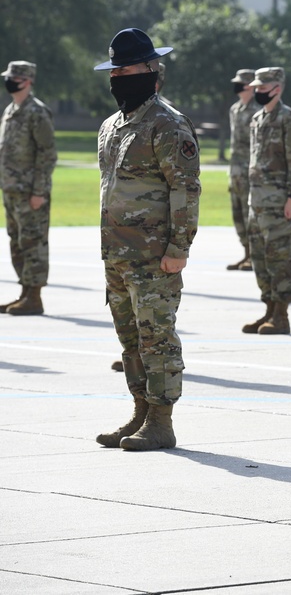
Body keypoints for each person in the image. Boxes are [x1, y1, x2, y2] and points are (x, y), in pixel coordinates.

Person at [92, 28, 201, 451]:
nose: (119, 77)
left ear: (152, 71)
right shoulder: (111, 126)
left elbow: (186, 190)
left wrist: (179, 249)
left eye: (129, 70)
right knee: (130, 339)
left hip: (154, 256)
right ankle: (140, 412)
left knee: (157, 336)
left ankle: (161, 421)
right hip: (116, 254)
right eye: (115, 70)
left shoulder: (167, 124)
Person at [242, 67, 291, 336]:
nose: (257, 92)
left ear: (277, 88)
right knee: (260, 259)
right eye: (256, 87)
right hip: (257, 202)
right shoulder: (257, 118)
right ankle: (268, 309)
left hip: (279, 202)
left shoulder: (287, 119)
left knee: (279, 259)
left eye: (263, 88)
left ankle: (281, 315)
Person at [0, 61, 56, 316]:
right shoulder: (11, 110)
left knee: (33, 242)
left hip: (30, 191)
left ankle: (35, 297)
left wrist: (39, 191)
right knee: (17, 242)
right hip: (11, 189)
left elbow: (47, 154)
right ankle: (24, 293)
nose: (9, 81)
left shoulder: (37, 112)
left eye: (15, 78)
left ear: (27, 80)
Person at [226, 68, 260, 271]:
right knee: (237, 215)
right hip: (235, 172)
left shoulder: (257, 111)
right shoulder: (234, 109)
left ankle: (254, 256)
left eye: (241, 83)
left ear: (250, 86)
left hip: (249, 172)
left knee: (250, 215)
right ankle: (246, 252)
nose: (237, 86)